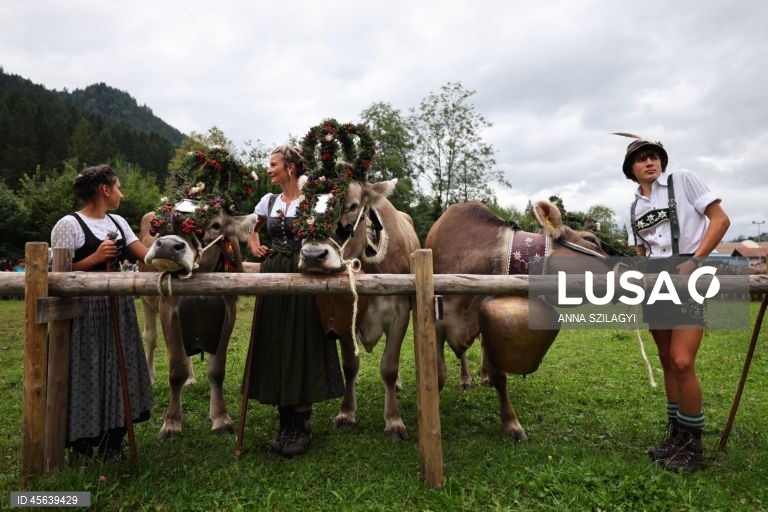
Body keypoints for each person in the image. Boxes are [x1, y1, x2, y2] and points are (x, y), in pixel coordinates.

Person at [622, 138, 730, 472]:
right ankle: (676, 437)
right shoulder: (632, 209)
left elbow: (720, 220)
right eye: (640, 160)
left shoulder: (683, 180)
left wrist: (696, 260)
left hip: (688, 273)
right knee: (667, 359)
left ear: (661, 161)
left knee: (683, 360)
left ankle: (693, 446)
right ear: (631, 170)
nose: (648, 163)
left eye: (653, 156)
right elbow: (641, 253)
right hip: (655, 280)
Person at [242, 145, 344, 458]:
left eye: (273, 164)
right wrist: (254, 241)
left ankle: (300, 426)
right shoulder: (268, 201)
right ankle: (284, 424)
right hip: (273, 273)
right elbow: (252, 227)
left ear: (291, 168)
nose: (269, 169)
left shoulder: (313, 199)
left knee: (300, 342)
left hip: (303, 273)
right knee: (275, 341)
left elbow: (329, 231)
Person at [50, 164, 154, 459]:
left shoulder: (119, 222)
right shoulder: (68, 224)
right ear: (104, 190)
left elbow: (146, 256)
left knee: (120, 368)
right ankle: (81, 442)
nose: (121, 193)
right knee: (87, 370)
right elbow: (56, 272)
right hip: (84, 310)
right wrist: (94, 258)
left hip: (118, 307)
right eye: (118, 187)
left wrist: (176, 252)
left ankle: (113, 439)